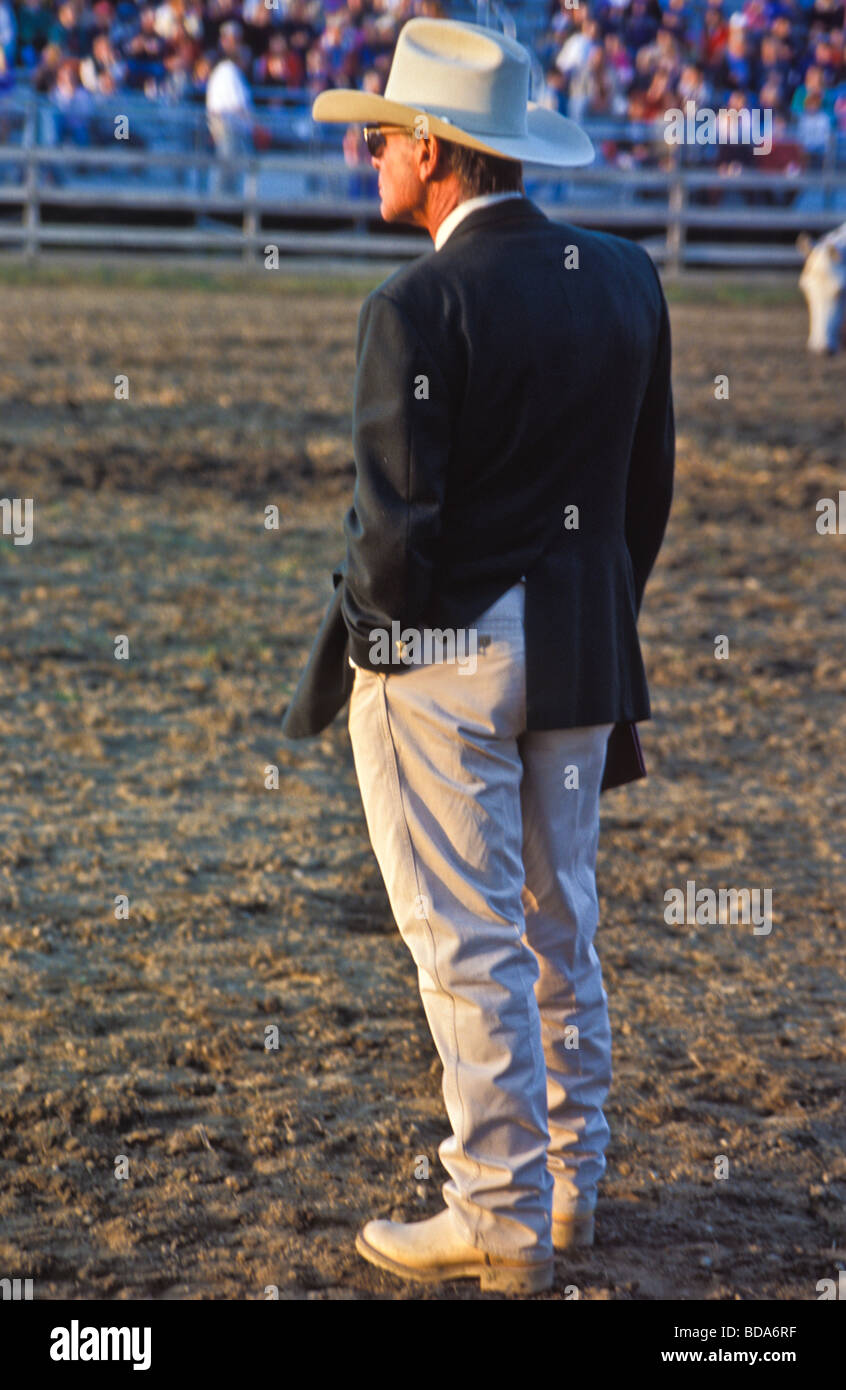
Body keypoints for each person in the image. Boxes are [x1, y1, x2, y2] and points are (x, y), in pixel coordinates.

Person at [282, 16, 674, 1294]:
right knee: (561, 917)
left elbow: (394, 533)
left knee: (465, 934)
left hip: (446, 651)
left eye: (387, 136)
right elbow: (643, 492)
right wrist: (589, 602)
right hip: (577, 640)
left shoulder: (417, 300)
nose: (373, 155)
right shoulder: (623, 275)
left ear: (439, 152)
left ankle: (497, 1207)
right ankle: (572, 1182)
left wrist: (383, 656)